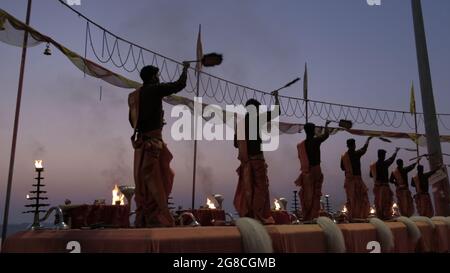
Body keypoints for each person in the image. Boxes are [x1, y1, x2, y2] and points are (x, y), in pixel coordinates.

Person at [129, 62, 190, 227]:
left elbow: (132, 122)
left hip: (141, 146)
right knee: (160, 180)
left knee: (145, 184)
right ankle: (157, 218)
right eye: (157, 75)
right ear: (153, 77)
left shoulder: (134, 95)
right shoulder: (155, 89)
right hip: (153, 145)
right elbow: (179, 85)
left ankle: (146, 218)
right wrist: (185, 69)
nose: (159, 78)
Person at [233, 91, 280, 224]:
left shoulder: (240, 124)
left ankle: (249, 216)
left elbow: (236, 144)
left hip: (246, 163)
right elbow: (277, 112)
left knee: (249, 189)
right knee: (261, 188)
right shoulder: (257, 119)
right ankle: (256, 216)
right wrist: (276, 97)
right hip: (257, 160)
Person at [294, 121, 331, 221]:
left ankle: (307, 216)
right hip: (315, 172)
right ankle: (312, 217)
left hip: (306, 174)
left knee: (307, 196)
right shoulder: (316, 141)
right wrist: (326, 125)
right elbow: (326, 135)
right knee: (315, 195)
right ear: (313, 130)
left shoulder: (301, 145)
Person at [340, 137, 372, 220]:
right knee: (360, 199)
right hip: (357, 181)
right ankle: (359, 216)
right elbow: (364, 149)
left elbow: (342, 168)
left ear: (347, 146)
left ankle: (354, 216)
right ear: (354, 145)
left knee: (352, 199)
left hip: (349, 182)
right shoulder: (356, 154)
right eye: (354, 145)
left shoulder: (344, 157)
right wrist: (367, 140)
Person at [369, 148, 399, 220]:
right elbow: (391, 159)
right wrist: (395, 152)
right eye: (384, 155)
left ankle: (381, 216)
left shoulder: (374, 166)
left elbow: (370, 175)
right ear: (382, 156)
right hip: (384, 187)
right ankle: (386, 216)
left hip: (378, 188)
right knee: (386, 202)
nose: (385, 156)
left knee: (378, 203)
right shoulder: (385, 163)